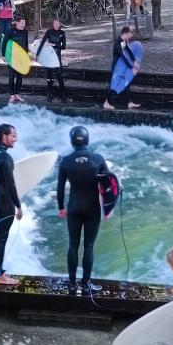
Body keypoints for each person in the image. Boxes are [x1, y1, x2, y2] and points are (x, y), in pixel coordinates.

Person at [57, 126, 109, 296]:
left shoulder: (65, 161)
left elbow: (59, 188)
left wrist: (61, 208)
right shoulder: (98, 159)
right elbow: (109, 186)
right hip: (92, 208)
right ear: (87, 140)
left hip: (74, 207)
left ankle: (72, 283)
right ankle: (86, 284)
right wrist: (108, 208)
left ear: (72, 141)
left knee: (73, 245)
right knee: (89, 246)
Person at [0, 124, 23, 285]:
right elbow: (10, 185)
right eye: (13, 135)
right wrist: (18, 206)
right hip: (5, 203)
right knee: (1, 238)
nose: (16, 138)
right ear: (4, 136)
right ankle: (0, 276)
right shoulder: (6, 158)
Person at [103, 26, 141, 110]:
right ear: (126, 33)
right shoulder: (118, 43)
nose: (131, 36)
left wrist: (134, 60)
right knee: (114, 86)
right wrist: (132, 67)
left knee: (126, 84)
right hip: (117, 68)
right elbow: (124, 57)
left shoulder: (123, 40)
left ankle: (129, 102)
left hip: (122, 67)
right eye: (130, 34)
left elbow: (128, 50)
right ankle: (107, 103)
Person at [36, 19, 67, 102]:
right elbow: (42, 42)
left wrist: (55, 45)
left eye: (58, 24)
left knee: (60, 77)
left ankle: (63, 95)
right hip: (49, 57)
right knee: (49, 77)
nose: (57, 25)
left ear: (60, 25)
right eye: (55, 24)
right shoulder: (49, 31)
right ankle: (50, 95)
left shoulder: (62, 33)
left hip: (57, 57)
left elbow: (64, 46)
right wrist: (37, 54)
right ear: (53, 24)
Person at [2, 17, 29, 103]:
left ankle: (17, 94)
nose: (23, 25)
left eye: (24, 23)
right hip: (12, 58)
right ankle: (12, 95)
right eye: (22, 23)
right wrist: (3, 55)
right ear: (17, 23)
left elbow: (26, 44)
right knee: (11, 77)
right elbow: (4, 43)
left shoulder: (25, 32)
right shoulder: (10, 31)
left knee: (20, 78)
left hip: (21, 58)